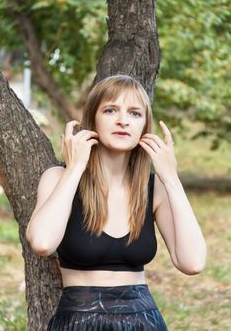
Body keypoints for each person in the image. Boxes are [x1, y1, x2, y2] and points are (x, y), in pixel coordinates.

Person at [26, 75, 207, 330]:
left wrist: (171, 179)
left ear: (144, 127)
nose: (123, 120)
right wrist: (76, 167)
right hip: (79, 320)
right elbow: (42, 243)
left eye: (135, 113)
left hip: (143, 321)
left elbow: (193, 262)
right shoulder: (59, 178)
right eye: (111, 110)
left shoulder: (155, 189)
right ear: (93, 120)